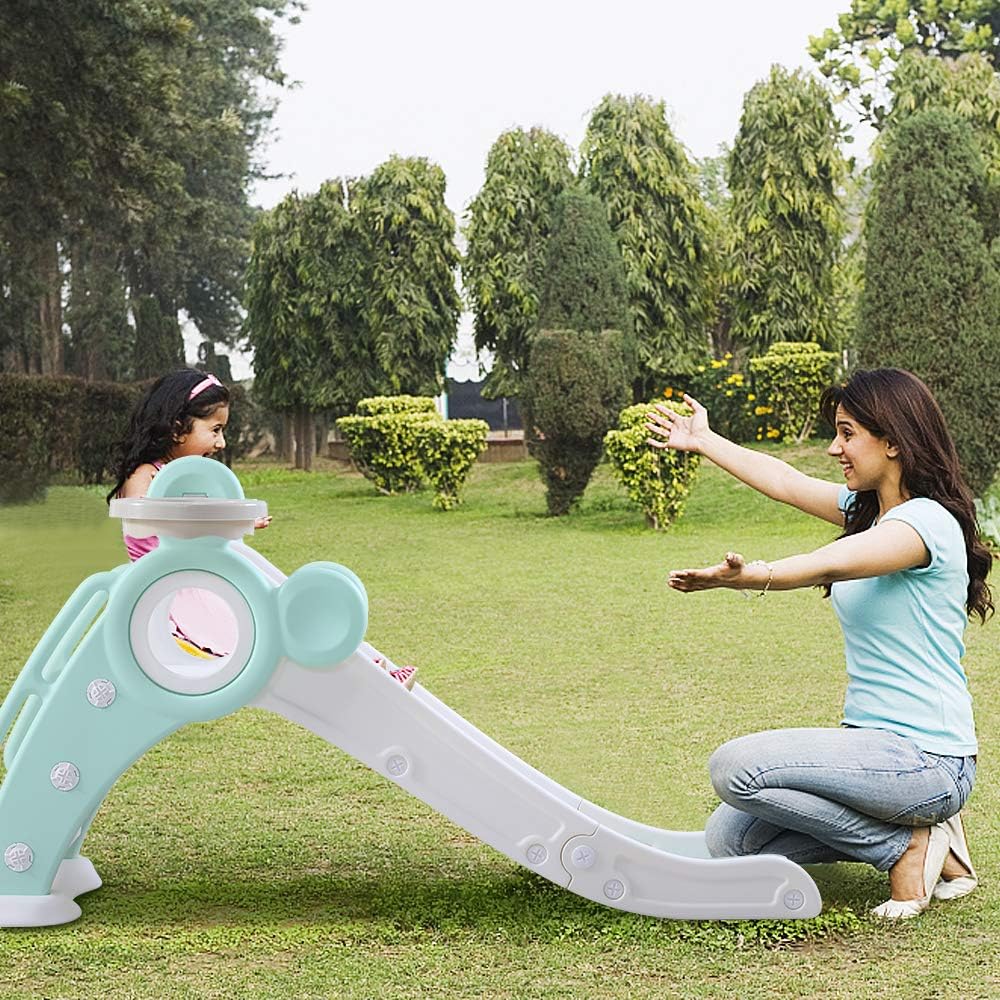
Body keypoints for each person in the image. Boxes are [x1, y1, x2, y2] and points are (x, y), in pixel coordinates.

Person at [645, 368, 991, 919]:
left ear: (893, 441)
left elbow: (828, 563)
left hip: (927, 758)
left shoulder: (924, 524)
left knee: (736, 769)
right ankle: (934, 841)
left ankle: (905, 846)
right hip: (874, 750)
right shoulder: (871, 513)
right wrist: (706, 441)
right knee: (731, 842)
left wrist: (752, 575)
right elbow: (784, 481)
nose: (834, 448)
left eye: (848, 434)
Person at [105, 368, 417, 685]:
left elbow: (192, 525)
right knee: (274, 621)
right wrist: (224, 525)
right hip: (176, 592)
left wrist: (229, 524)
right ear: (177, 429)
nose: (221, 443)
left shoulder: (182, 475)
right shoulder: (145, 476)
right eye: (215, 430)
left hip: (204, 577)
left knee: (284, 600)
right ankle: (365, 672)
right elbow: (160, 533)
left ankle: (368, 663)